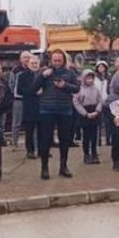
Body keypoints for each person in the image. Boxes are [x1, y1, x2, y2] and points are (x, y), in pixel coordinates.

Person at [31, 49, 80, 179]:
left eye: (59, 60)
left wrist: (65, 85)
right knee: (46, 139)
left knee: (64, 139)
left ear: (63, 60)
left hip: (65, 109)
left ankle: (63, 167)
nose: (57, 63)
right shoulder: (44, 72)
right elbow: (33, 88)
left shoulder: (70, 73)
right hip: (47, 109)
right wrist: (42, 76)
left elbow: (77, 88)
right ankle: (44, 168)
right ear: (51, 61)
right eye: (55, 60)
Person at [73, 69, 103, 164]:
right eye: (88, 78)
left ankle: (94, 153)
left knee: (94, 135)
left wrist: (97, 111)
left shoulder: (96, 89)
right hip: (85, 113)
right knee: (86, 136)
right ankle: (86, 154)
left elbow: (100, 100)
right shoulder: (79, 89)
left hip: (94, 111)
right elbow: (76, 102)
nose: (90, 80)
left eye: (91, 78)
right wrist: (85, 113)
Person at [18, 56, 42, 159]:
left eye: (36, 63)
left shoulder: (42, 75)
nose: (34, 65)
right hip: (29, 105)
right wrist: (34, 92)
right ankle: (30, 151)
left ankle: (42, 150)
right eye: (32, 63)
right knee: (30, 131)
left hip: (42, 106)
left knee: (42, 130)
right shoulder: (22, 76)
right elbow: (20, 90)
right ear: (28, 64)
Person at [8, 52, 33, 149]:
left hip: (30, 99)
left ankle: (31, 144)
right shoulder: (16, 70)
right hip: (18, 99)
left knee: (31, 122)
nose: (26, 59)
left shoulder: (33, 68)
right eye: (24, 57)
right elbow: (11, 83)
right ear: (20, 59)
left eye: (28, 57)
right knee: (16, 122)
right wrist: (15, 93)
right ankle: (15, 143)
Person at [93, 61, 111, 145]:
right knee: (98, 122)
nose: (101, 68)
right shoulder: (94, 78)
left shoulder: (108, 78)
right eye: (99, 67)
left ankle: (108, 139)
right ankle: (98, 140)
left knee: (108, 122)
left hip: (106, 101)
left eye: (102, 67)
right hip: (97, 102)